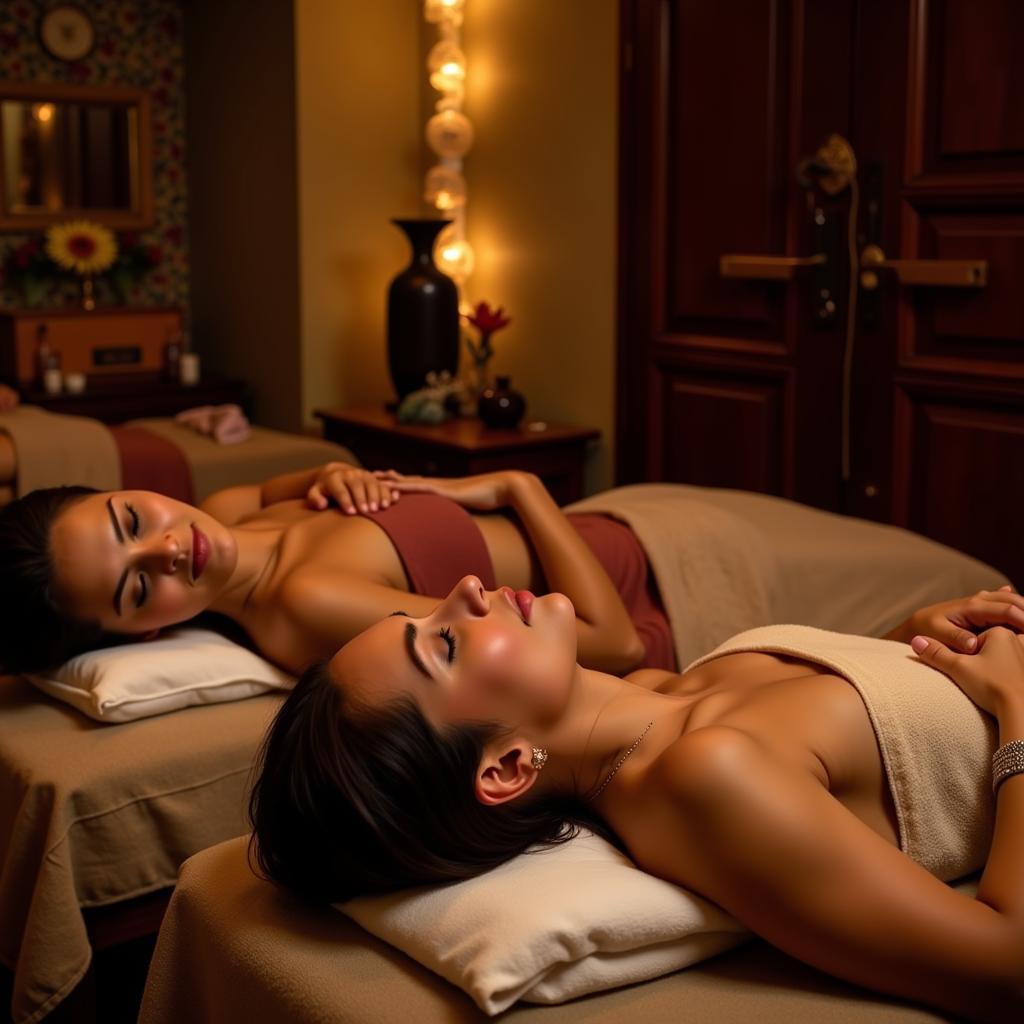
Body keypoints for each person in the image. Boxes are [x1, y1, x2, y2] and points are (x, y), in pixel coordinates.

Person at [249, 576, 1024, 1021]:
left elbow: (878, 765)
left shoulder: (665, 693)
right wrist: (1017, 713)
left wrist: (909, 648)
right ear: (507, 768)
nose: (464, 588)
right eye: (443, 644)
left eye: (420, 618)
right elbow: (1004, 966)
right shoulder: (702, 781)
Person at [0, 465, 656, 676]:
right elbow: (615, 644)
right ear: (141, 633)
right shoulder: (307, 607)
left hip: (623, 520)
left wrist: (332, 475)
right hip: (643, 586)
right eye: (139, 586)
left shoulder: (229, 508)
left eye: (131, 521)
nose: (168, 548)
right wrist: (518, 486)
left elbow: (288, 490)